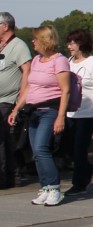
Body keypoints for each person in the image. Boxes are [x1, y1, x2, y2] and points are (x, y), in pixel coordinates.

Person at [7, 25, 70, 206]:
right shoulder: (36, 60)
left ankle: (54, 187)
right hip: (33, 111)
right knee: (36, 152)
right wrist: (17, 108)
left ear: (44, 40)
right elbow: (29, 87)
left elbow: (65, 91)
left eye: (35, 39)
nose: (33, 42)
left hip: (49, 111)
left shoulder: (59, 61)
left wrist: (61, 116)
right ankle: (45, 186)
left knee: (42, 148)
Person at [64, 29, 93, 195]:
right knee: (68, 148)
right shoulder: (68, 62)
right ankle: (88, 169)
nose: (69, 46)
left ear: (81, 44)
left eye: (72, 43)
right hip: (70, 112)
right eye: (68, 43)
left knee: (79, 148)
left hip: (87, 112)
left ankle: (79, 183)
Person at [0, 12, 33, 189]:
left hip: (8, 100)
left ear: (5, 26)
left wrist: (21, 98)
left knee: (5, 139)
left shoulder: (18, 46)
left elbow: (27, 71)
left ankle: (7, 177)